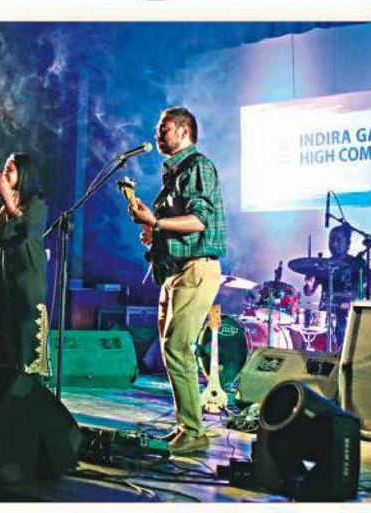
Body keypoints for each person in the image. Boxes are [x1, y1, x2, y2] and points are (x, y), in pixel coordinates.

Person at [128, 107, 226, 455]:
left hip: (195, 268)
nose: (158, 133)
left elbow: (199, 221)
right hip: (174, 271)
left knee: (177, 347)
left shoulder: (197, 167)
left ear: (184, 131)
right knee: (173, 350)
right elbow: (175, 224)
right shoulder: (176, 173)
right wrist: (153, 231)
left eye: (165, 127)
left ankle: (193, 430)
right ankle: (187, 425)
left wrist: (156, 222)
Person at [0, 153, 48, 372]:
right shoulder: (3, 204)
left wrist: (6, 195)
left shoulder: (37, 202)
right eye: (4, 168)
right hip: (2, 274)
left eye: (10, 170)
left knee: (23, 333)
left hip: (25, 275)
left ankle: (26, 381)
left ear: (23, 174)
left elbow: (24, 228)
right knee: (1, 327)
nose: (4, 174)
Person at [313, 223, 371, 347]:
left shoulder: (356, 262)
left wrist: (355, 296)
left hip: (347, 314)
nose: (334, 243)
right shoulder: (323, 264)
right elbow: (309, 291)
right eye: (331, 239)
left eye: (338, 240)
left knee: (342, 341)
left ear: (348, 243)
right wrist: (309, 283)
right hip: (325, 314)